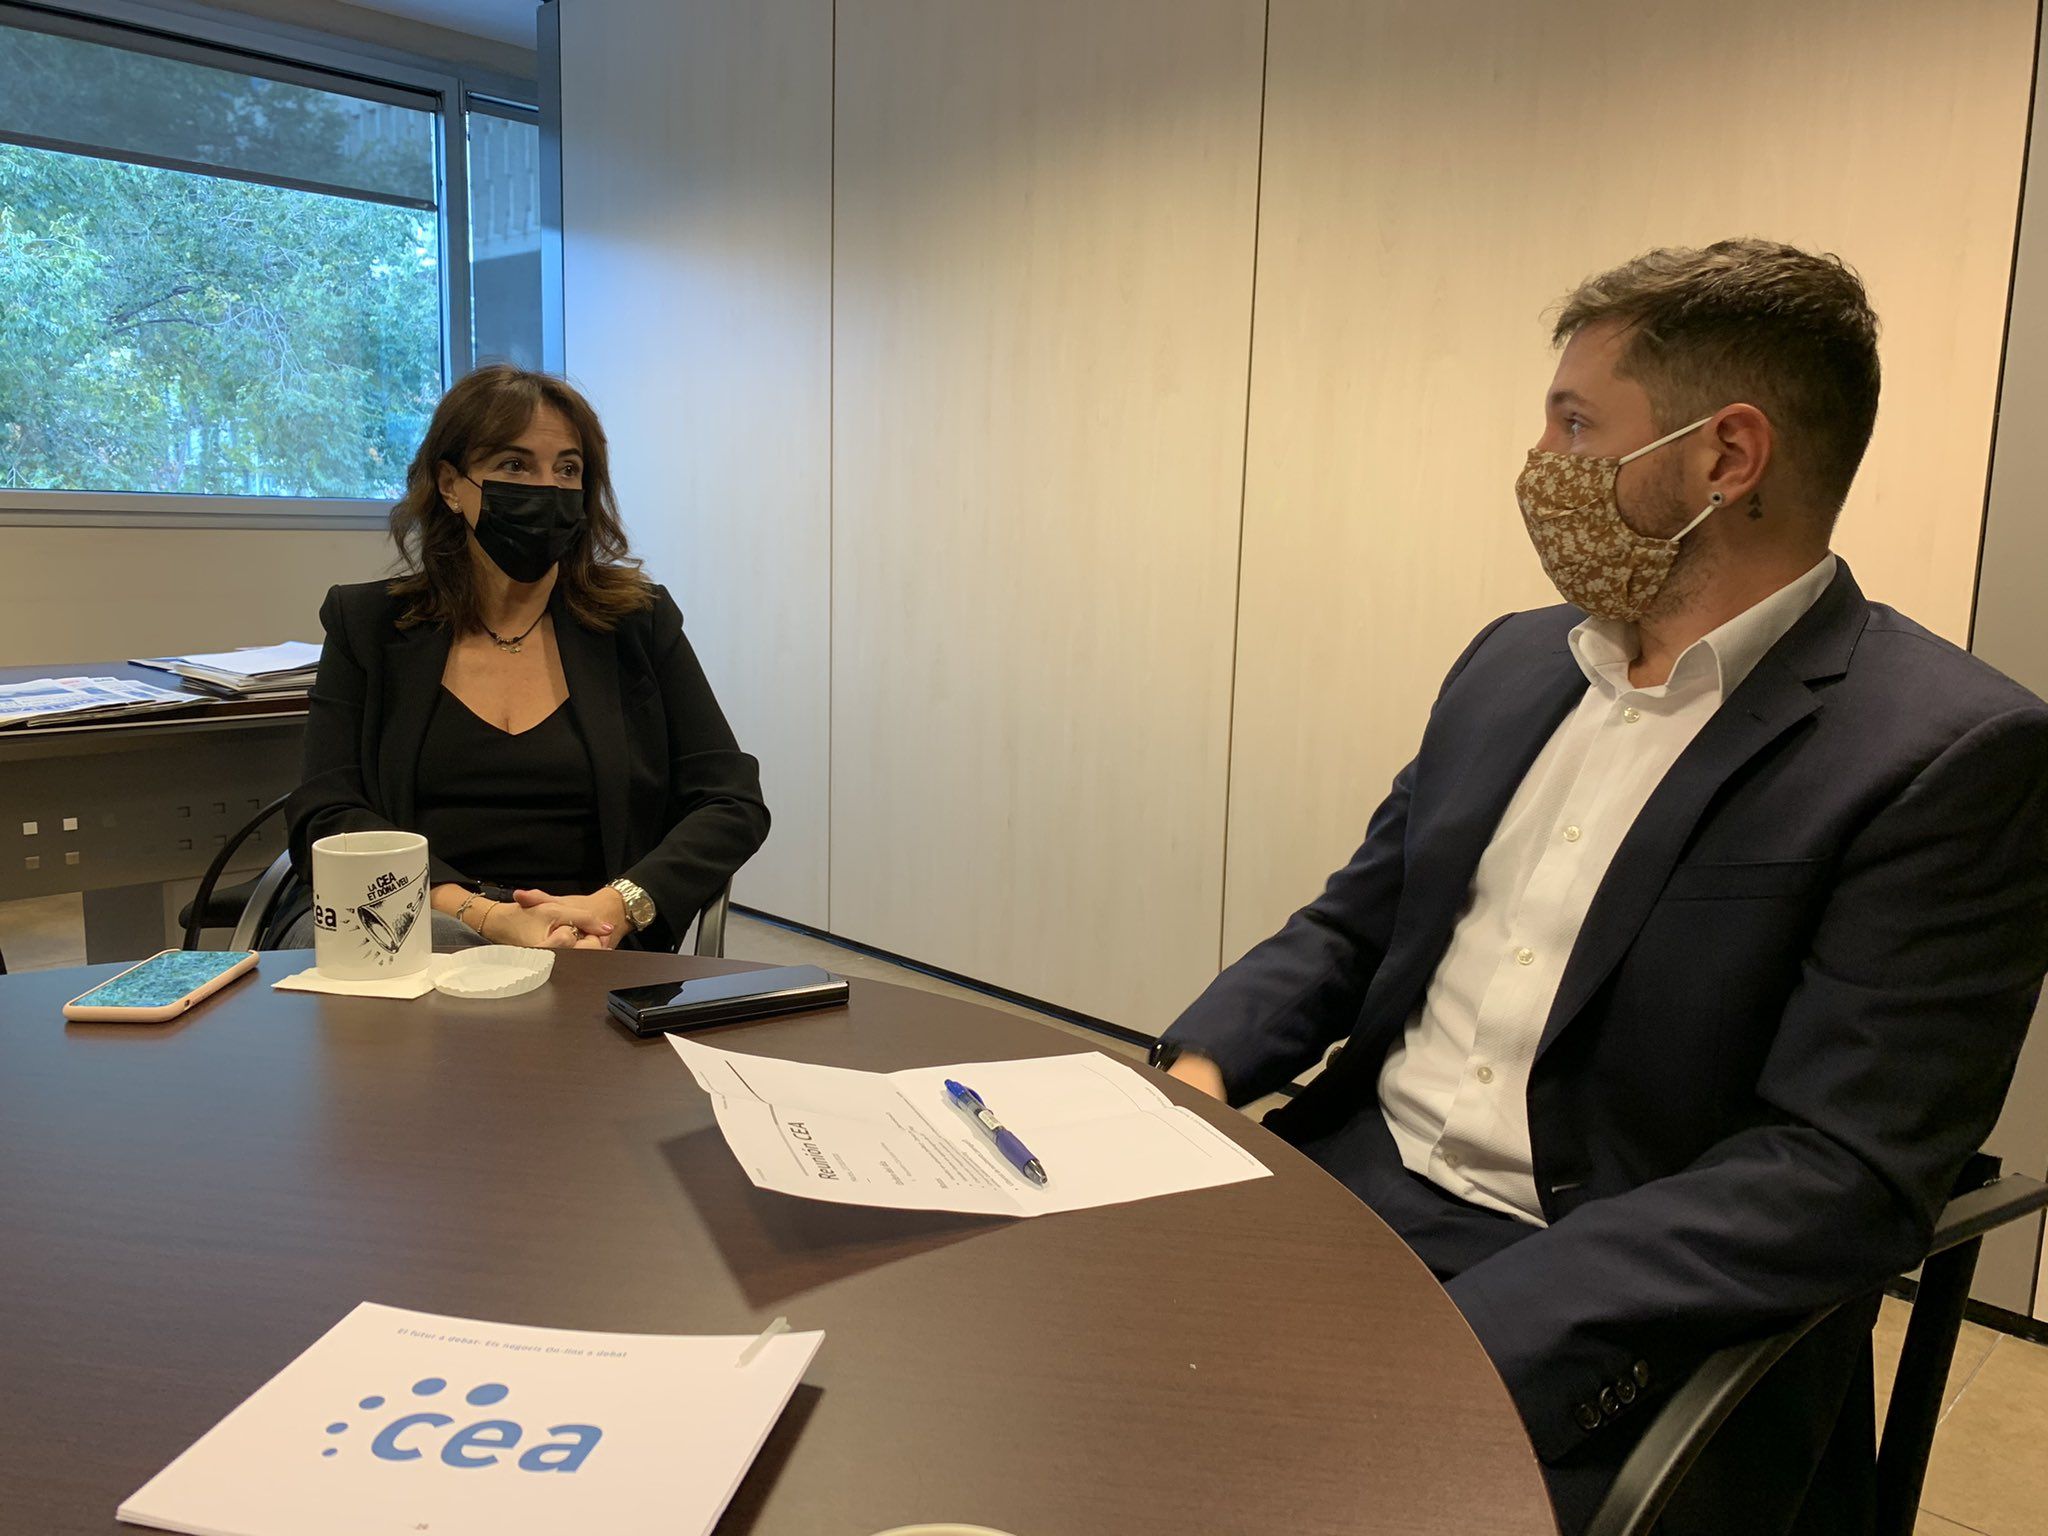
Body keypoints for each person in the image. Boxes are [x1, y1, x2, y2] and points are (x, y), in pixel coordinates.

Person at [1153, 240, 2048, 1535]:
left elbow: (1836, 1170)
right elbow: (1356, 923)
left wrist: (1463, 1335)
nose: (1540, 461)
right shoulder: (1514, 664)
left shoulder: (1948, 756)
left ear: (1725, 457)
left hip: (1599, 1296)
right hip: (1349, 1187)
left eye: (1575, 425)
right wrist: (1199, 1071)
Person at [281, 364, 769, 954]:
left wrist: (615, 907)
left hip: (591, 937)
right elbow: (326, 812)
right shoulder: (368, 624)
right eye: (515, 465)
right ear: (450, 484)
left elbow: (730, 801)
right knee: (447, 960)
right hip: (411, 923)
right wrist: (487, 916)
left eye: (567, 469)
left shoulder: (637, 623)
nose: (547, 489)